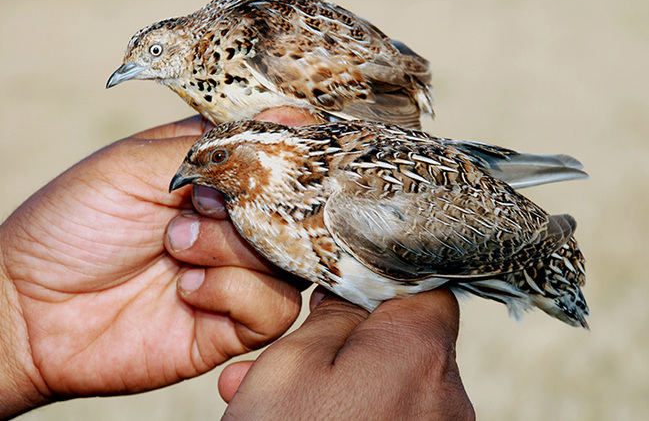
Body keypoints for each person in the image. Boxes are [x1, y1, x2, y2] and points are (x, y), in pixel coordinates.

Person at [0, 107, 474, 419]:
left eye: (218, 159)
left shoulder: (346, 191)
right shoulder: (246, 204)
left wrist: (22, 321)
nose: (187, 178)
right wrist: (19, 328)